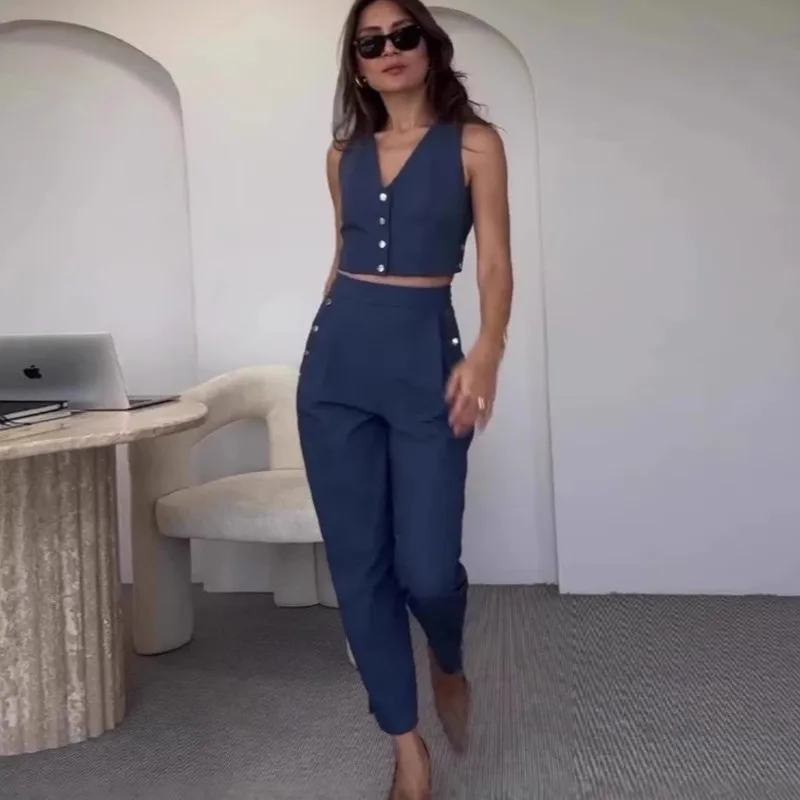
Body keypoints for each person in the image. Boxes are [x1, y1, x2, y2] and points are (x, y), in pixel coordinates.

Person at [296, 0, 512, 796]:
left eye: (403, 35)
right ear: (357, 65)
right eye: (370, 43)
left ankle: (447, 658)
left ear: (429, 46)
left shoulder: (475, 145)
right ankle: (406, 745)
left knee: (427, 570)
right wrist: (322, 349)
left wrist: (486, 352)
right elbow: (341, 258)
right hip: (336, 374)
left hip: (427, 367)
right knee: (360, 566)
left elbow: (494, 263)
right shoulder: (341, 155)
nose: (389, 50)